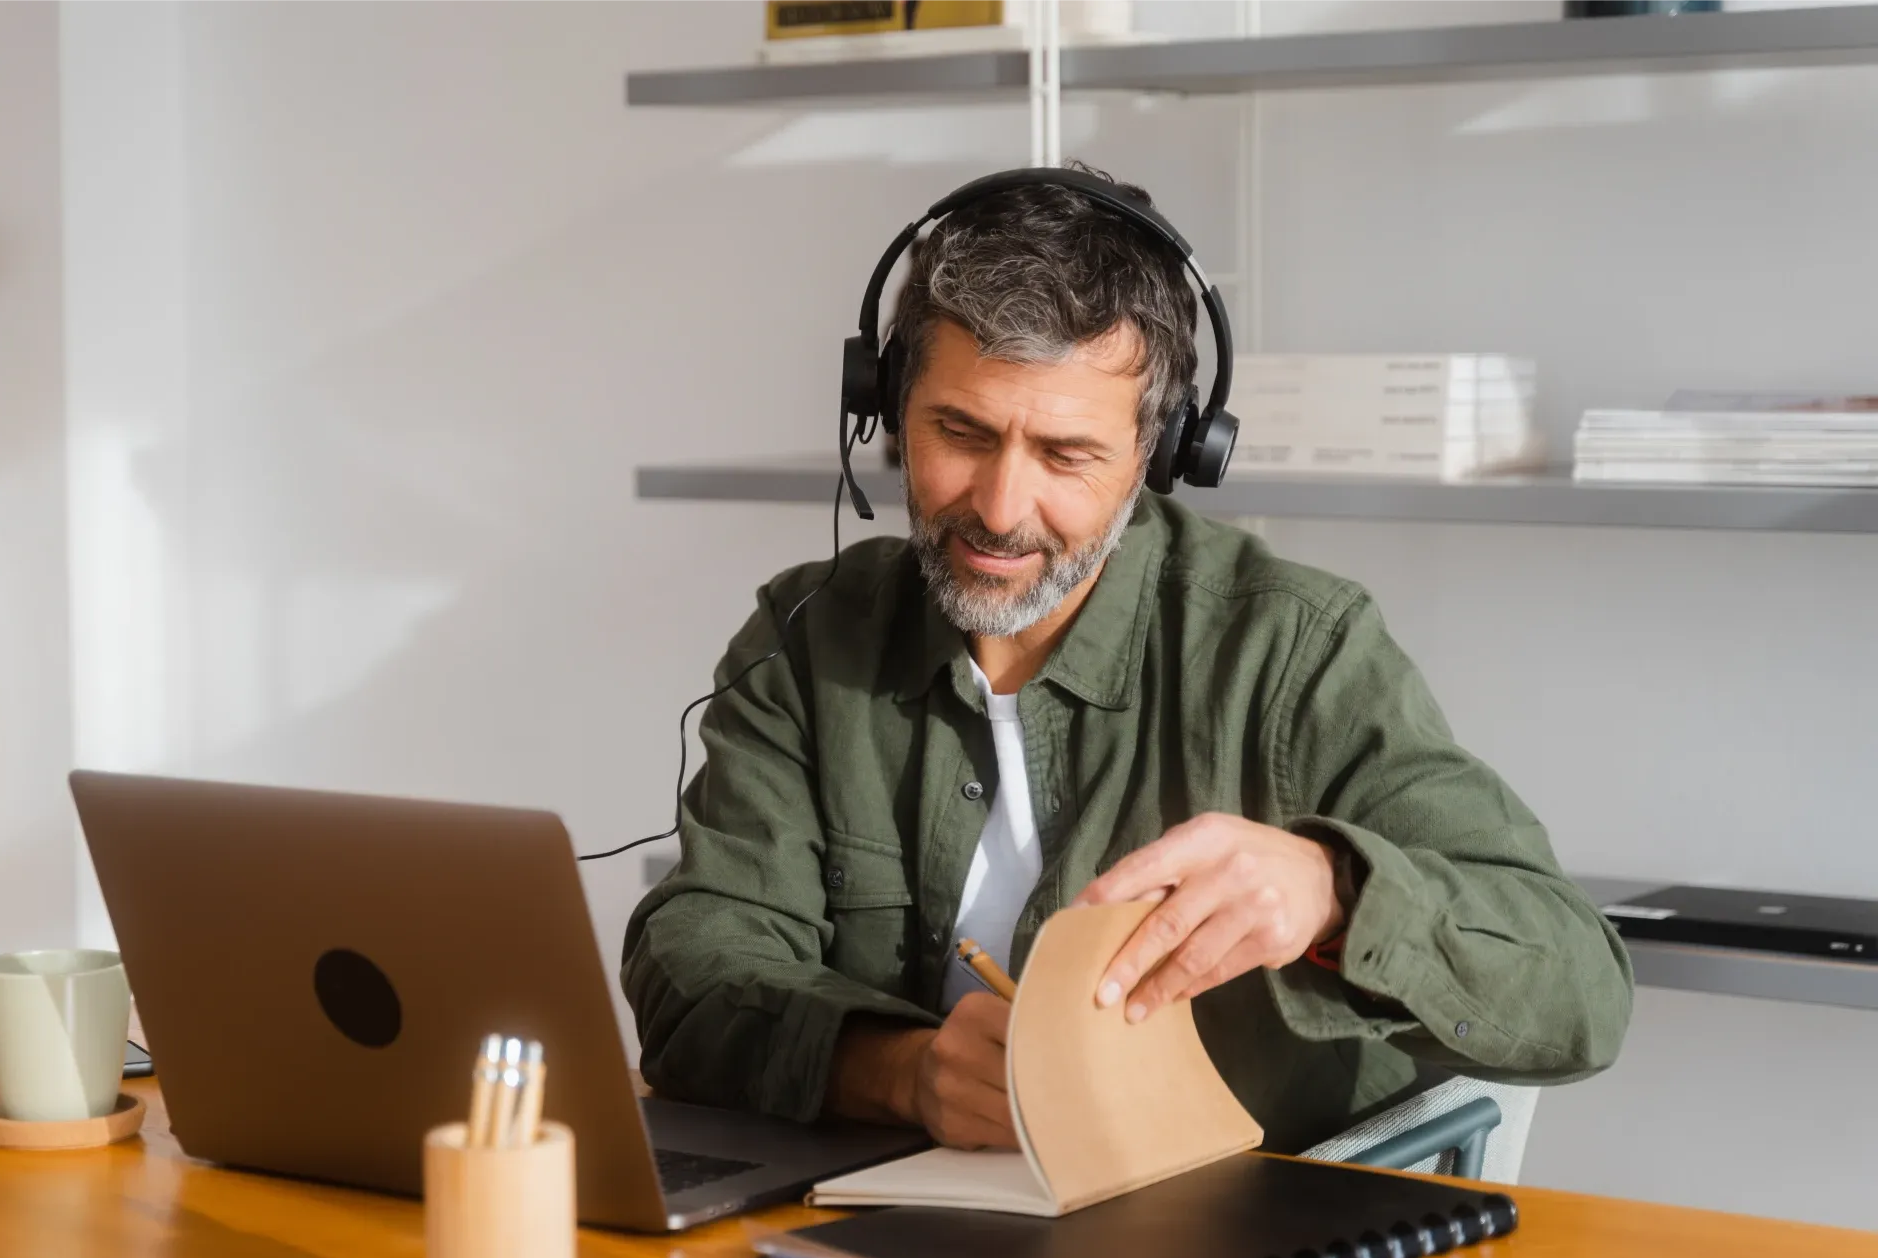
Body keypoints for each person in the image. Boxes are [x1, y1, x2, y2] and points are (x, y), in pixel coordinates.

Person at [622, 166, 1632, 1155]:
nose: (1000, 506)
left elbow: (1578, 989)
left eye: (1064, 455)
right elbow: (695, 963)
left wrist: (1336, 894)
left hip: (1237, 1243)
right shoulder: (812, 635)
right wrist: (900, 1073)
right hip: (905, 1226)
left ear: (1162, 452)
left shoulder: (1292, 650)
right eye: (959, 432)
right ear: (887, 405)